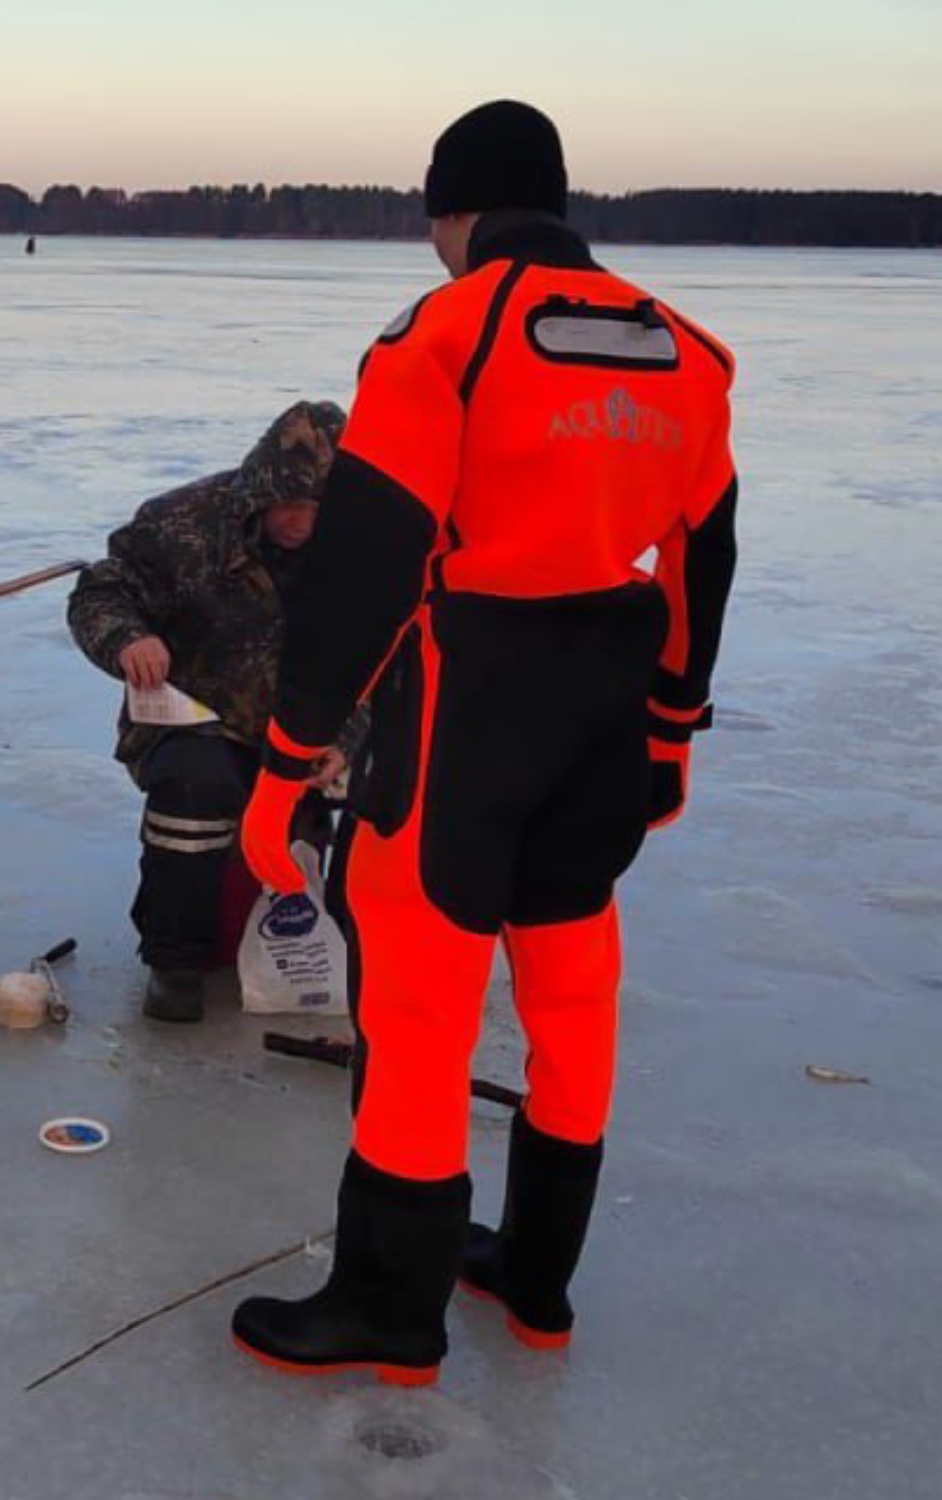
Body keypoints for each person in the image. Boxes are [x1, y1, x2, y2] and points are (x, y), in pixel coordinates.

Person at [229, 101, 738, 1384]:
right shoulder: (682, 351)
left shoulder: (448, 334)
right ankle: (538, 1281)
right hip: (605, 715)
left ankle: (388, 1312)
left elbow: (368, 556)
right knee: (572, 1000)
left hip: (468, 709)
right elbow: (704, 557)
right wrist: (671, 732)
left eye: (433, 227)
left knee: (422, 1015)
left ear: (456, 214)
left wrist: (289, 758)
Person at [66, 401, 359, 1023]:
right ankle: (175, 962)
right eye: (287, 505)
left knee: (397, 788)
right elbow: (101, 590)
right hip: (201, 717)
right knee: (196, 786)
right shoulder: (183, 521)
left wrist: (349, 737)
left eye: (318, 510)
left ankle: (360, 952)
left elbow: (390, 651)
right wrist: (126, 639)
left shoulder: (370, 544)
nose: (300, 524)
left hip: (316, 726)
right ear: (257, 490)